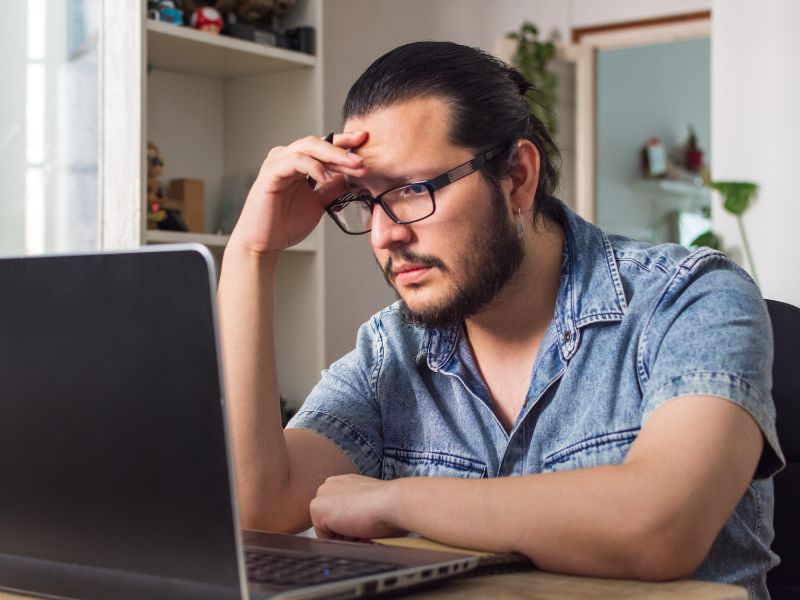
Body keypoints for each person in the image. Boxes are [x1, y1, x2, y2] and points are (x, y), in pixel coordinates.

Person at [217, 41, 783, 599]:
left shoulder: (689, 298)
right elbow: (263, 506)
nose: (386, 233)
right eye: (367, 200)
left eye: (413, 190)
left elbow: (661, 526)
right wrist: (251, 252)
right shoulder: (391, 350)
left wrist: (396, 500)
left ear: (517, 177)